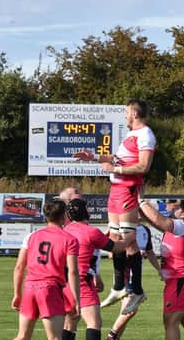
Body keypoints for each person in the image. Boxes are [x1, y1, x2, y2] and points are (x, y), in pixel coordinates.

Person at [74, 99, 157, 314]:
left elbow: (143, 166)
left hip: (128, 189)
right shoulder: (131, 135)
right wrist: (92, 157)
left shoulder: (146, 134)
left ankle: (136, 289)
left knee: (129, 242)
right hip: (116, 189)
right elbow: (116, 159)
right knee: (115, 239)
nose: (124, 115)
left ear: (134, 114)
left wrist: (116, 169)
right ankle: (119, 286)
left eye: (126, 111)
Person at [11, 199, 80, 340]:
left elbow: (19, 267)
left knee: (22, 336)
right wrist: (76, 300)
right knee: (54, 337)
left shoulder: (31, 236)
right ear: (64, 217)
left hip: (30, 287)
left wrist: (17, 294)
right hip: (50, 289)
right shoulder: (70, 239)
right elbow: (72, 272)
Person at [139, 198, 184, 340]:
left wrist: (141, 201)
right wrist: (138, 207)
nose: (173, 209)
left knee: (170, 322)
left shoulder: (182, 226)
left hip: (181, 280)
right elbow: (153, 220)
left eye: (178, 208)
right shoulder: (177, 227)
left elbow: (158, 218)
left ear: (183, 215)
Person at [61, 198, 128, 340]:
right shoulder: (92, 232)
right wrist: (130, 237)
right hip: (82, 281)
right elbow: (116, 248)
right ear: (85, 212)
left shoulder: (66, 230)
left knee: (69, 324)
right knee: (93, 323)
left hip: (64, 282)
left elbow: (87, 244)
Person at [106, 222, 164, 340]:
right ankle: (111, 336)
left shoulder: (145, 230)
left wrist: (159, 269)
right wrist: (130, 252)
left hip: (136, 275)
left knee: (126, 310)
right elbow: (111, 254)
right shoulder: (120, 228)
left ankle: (114, 337)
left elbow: (150, 252)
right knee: (131, 309)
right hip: (124, 273)